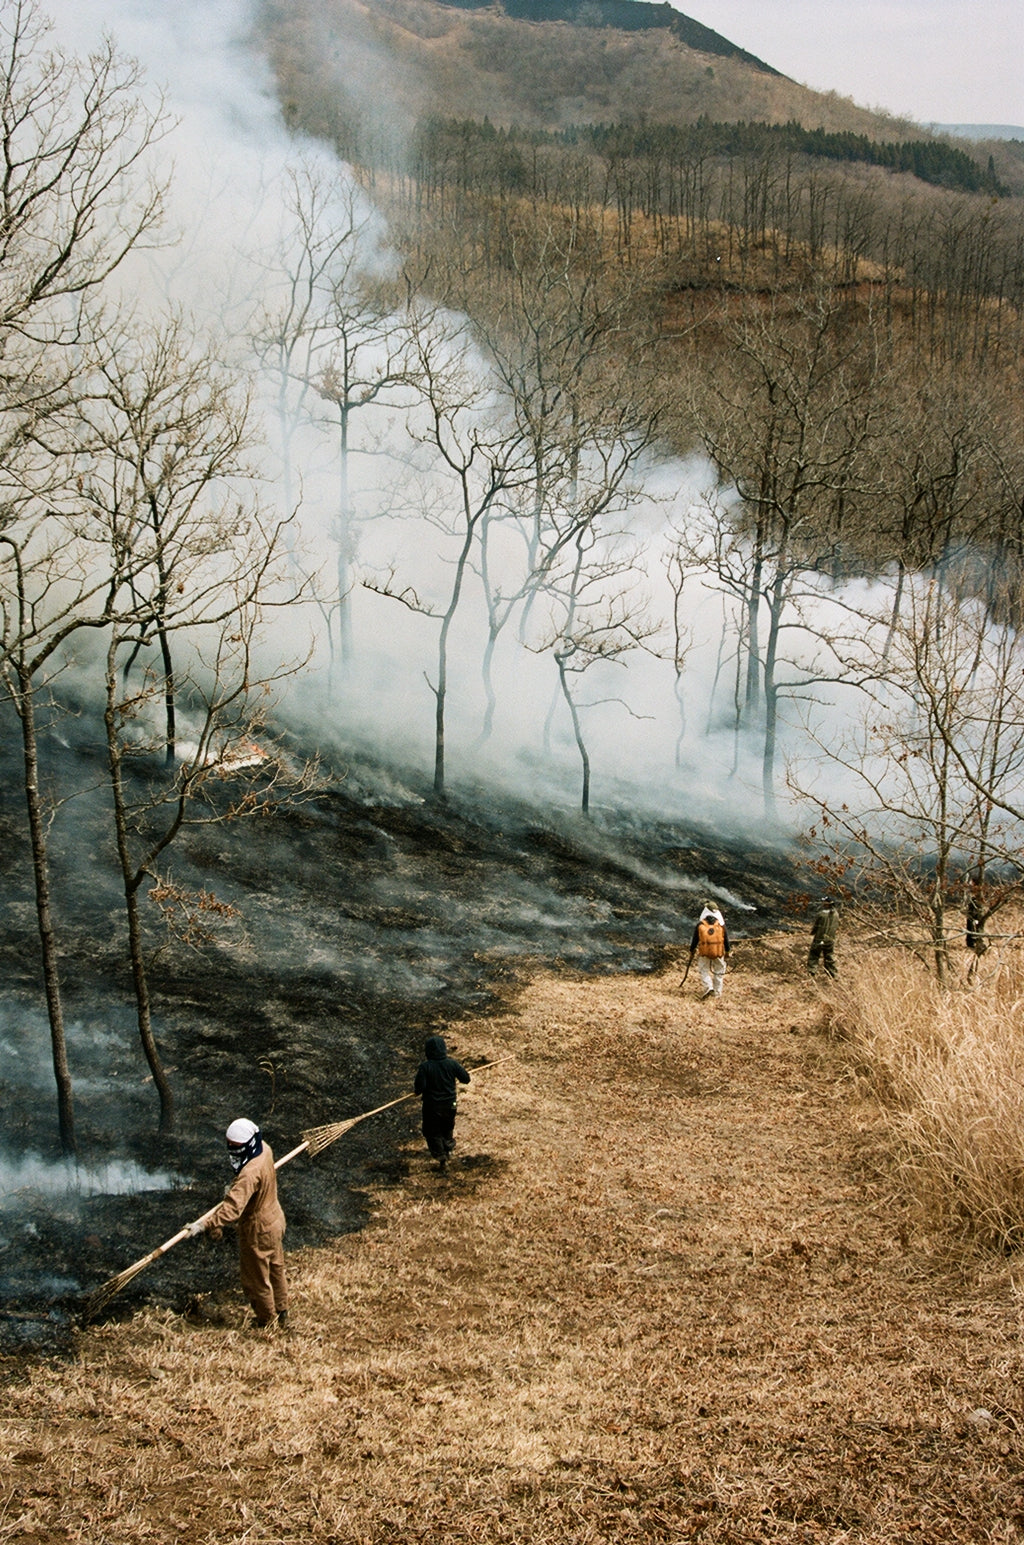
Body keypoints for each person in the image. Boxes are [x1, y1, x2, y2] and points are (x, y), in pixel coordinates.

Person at [190, 1118, 288, 1328]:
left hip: (258, 1229)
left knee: (256, 1280)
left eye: (235, 1147)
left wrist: (207, 1223)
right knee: (276, 1268)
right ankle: (282, 1311)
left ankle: (267, 1322)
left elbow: (233, 1209)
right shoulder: (265, 1150)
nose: (232, 1151)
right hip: (275, 1219)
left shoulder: (249, 1174)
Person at [414, 1035, 470, 1172]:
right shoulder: (452, 1064)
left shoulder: (425, 1067)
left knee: (432, 1132)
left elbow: (419, 1089)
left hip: (432, 1107)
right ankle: (448, 1149)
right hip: (451, 1105)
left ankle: (441, 1158)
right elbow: (466, 1079)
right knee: (447, 1127)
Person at [688, 901, 730, 1003]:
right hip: (718, 951)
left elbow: (695, 939)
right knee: (719, 971)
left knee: (703, 969)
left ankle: (708, 987)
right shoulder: (720, 925)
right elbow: (726, 939)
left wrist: (692, 950)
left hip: (705, 952)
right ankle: (717, 993)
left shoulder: (700, 924)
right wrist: (728, 951)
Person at [807, 896, 839, 979]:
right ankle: (833, 975)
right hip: (831, 940)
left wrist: (811, 932)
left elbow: (816, 927)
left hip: (819, 939)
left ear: (827, 904)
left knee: (814, 955)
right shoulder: (836, 914)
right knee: (829, 956)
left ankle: (812, 973)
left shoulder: (821, 914)